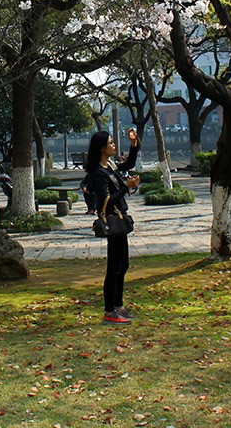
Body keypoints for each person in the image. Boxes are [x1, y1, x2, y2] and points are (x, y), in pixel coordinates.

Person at [84, 128, 140, 324]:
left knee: (123, 265)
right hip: (112, 221)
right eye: (110, 143)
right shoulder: (98, 174)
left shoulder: (109, 165)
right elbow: (107, 201)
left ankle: (119, 306)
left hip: (119, 220)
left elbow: (129, 164)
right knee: (114, 267)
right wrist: (127, 186)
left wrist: (134, 144)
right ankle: (110, 310)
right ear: (102, 148)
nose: (114, 145)